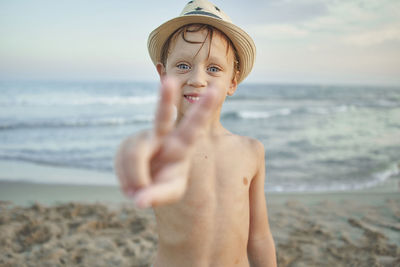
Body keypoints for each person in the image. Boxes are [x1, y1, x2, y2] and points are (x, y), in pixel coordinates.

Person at [114, 0, 277, 266]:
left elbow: (259, 237)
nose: (197, 79)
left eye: (213, 68)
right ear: (163, 73)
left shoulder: (251, 151)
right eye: (183, 66)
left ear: (232, 82)